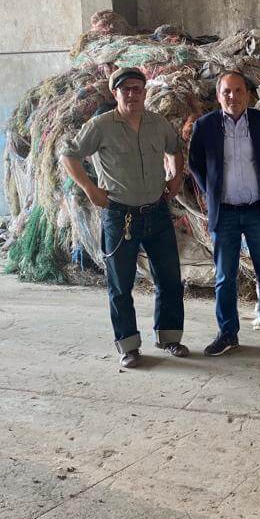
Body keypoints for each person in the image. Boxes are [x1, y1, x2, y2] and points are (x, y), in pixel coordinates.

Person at [60, 66, 188, 368]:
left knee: (169, 279)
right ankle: (128, 345)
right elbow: (69, 154)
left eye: (137, 88)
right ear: (115, 93)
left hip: (156, 211)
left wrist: (175, 176)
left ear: (145, 92)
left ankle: (169, 338)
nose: (132, 93)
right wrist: (90, 189)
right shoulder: (101, 126)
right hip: (120, 216)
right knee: (120, 285)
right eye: (125, 89)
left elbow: (174, 148)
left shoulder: (158, 124)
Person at [188, 70, 260, 356]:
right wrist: (210, 193)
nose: (233, 96)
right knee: (225, 277)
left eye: (238, 91)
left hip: (259, 210)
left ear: (248, 94)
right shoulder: (205, 126)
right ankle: (227, 333)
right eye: (227, 92)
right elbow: (195, 164)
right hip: (225, 214)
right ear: (218, 96)